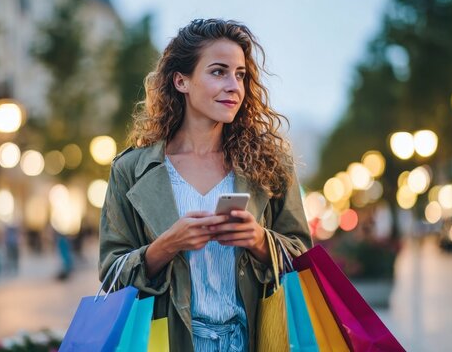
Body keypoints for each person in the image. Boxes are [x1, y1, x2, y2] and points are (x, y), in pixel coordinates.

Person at [99, 19, 312, 351]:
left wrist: (259, 240)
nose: (234, 86)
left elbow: (304, 258)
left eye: (240, 75)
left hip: (254, 340)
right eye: (218, 72)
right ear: (182, 81)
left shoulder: (270, 165)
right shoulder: (130, 170)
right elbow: (111, 273)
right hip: (167, 343)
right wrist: (165, 246)